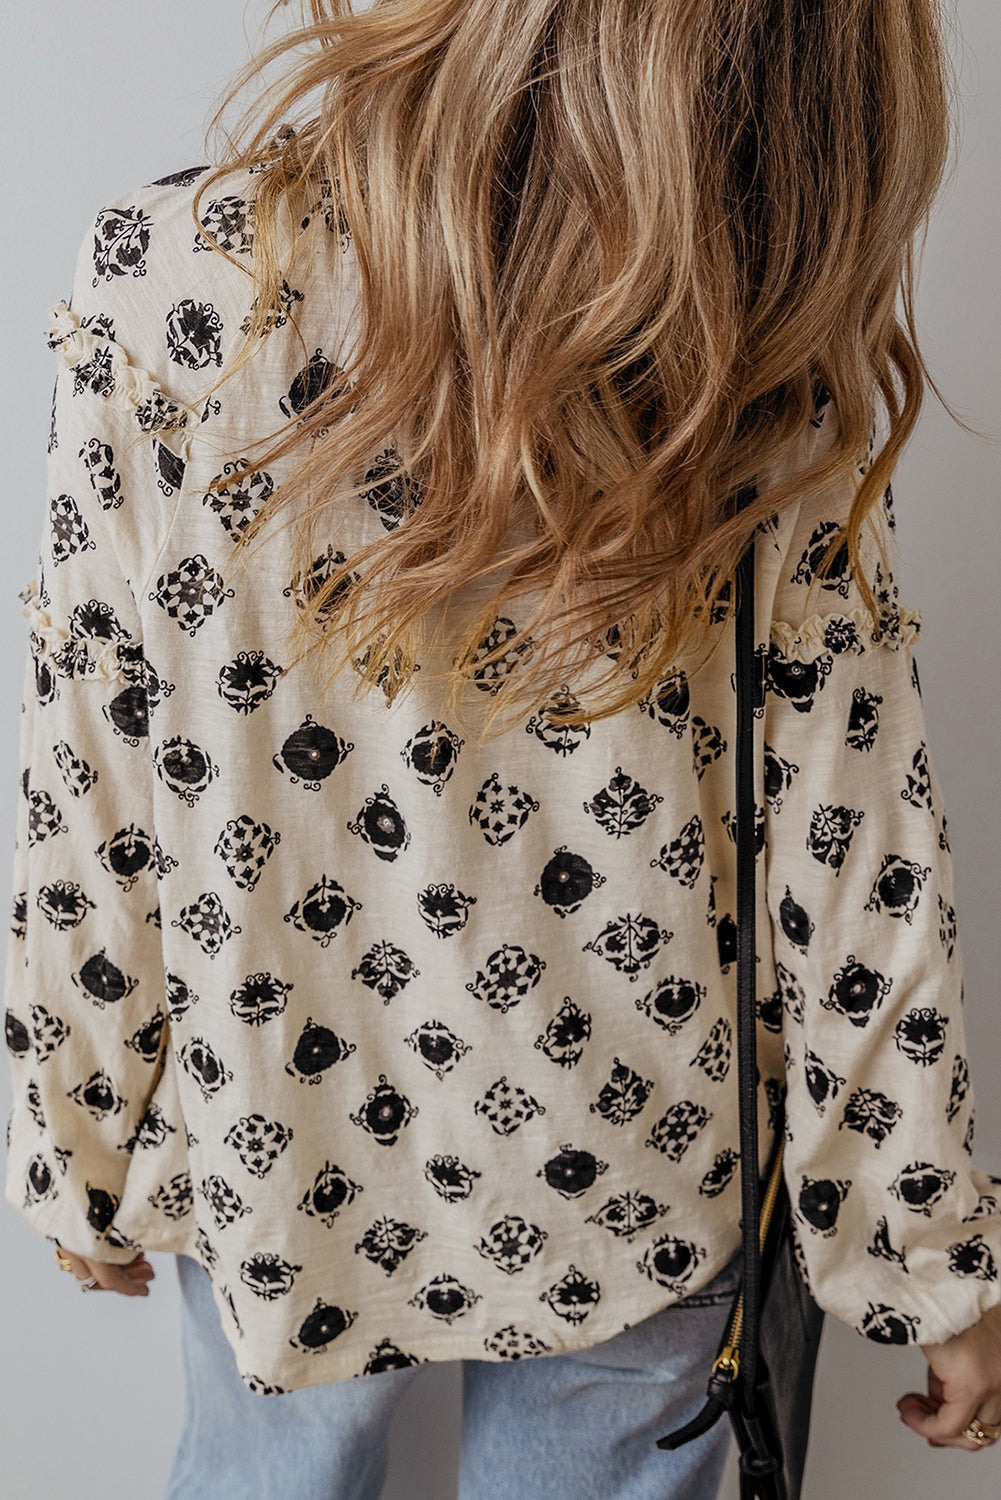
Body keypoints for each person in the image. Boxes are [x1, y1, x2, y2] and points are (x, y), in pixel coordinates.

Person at [5, 0, 1001, 1495]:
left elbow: (94, 751)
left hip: (282, 1135)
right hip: (639, 1150)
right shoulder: (748, 335)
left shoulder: (174, 276)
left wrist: (75, 1134)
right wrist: (927, 1250)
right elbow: (852, 842)